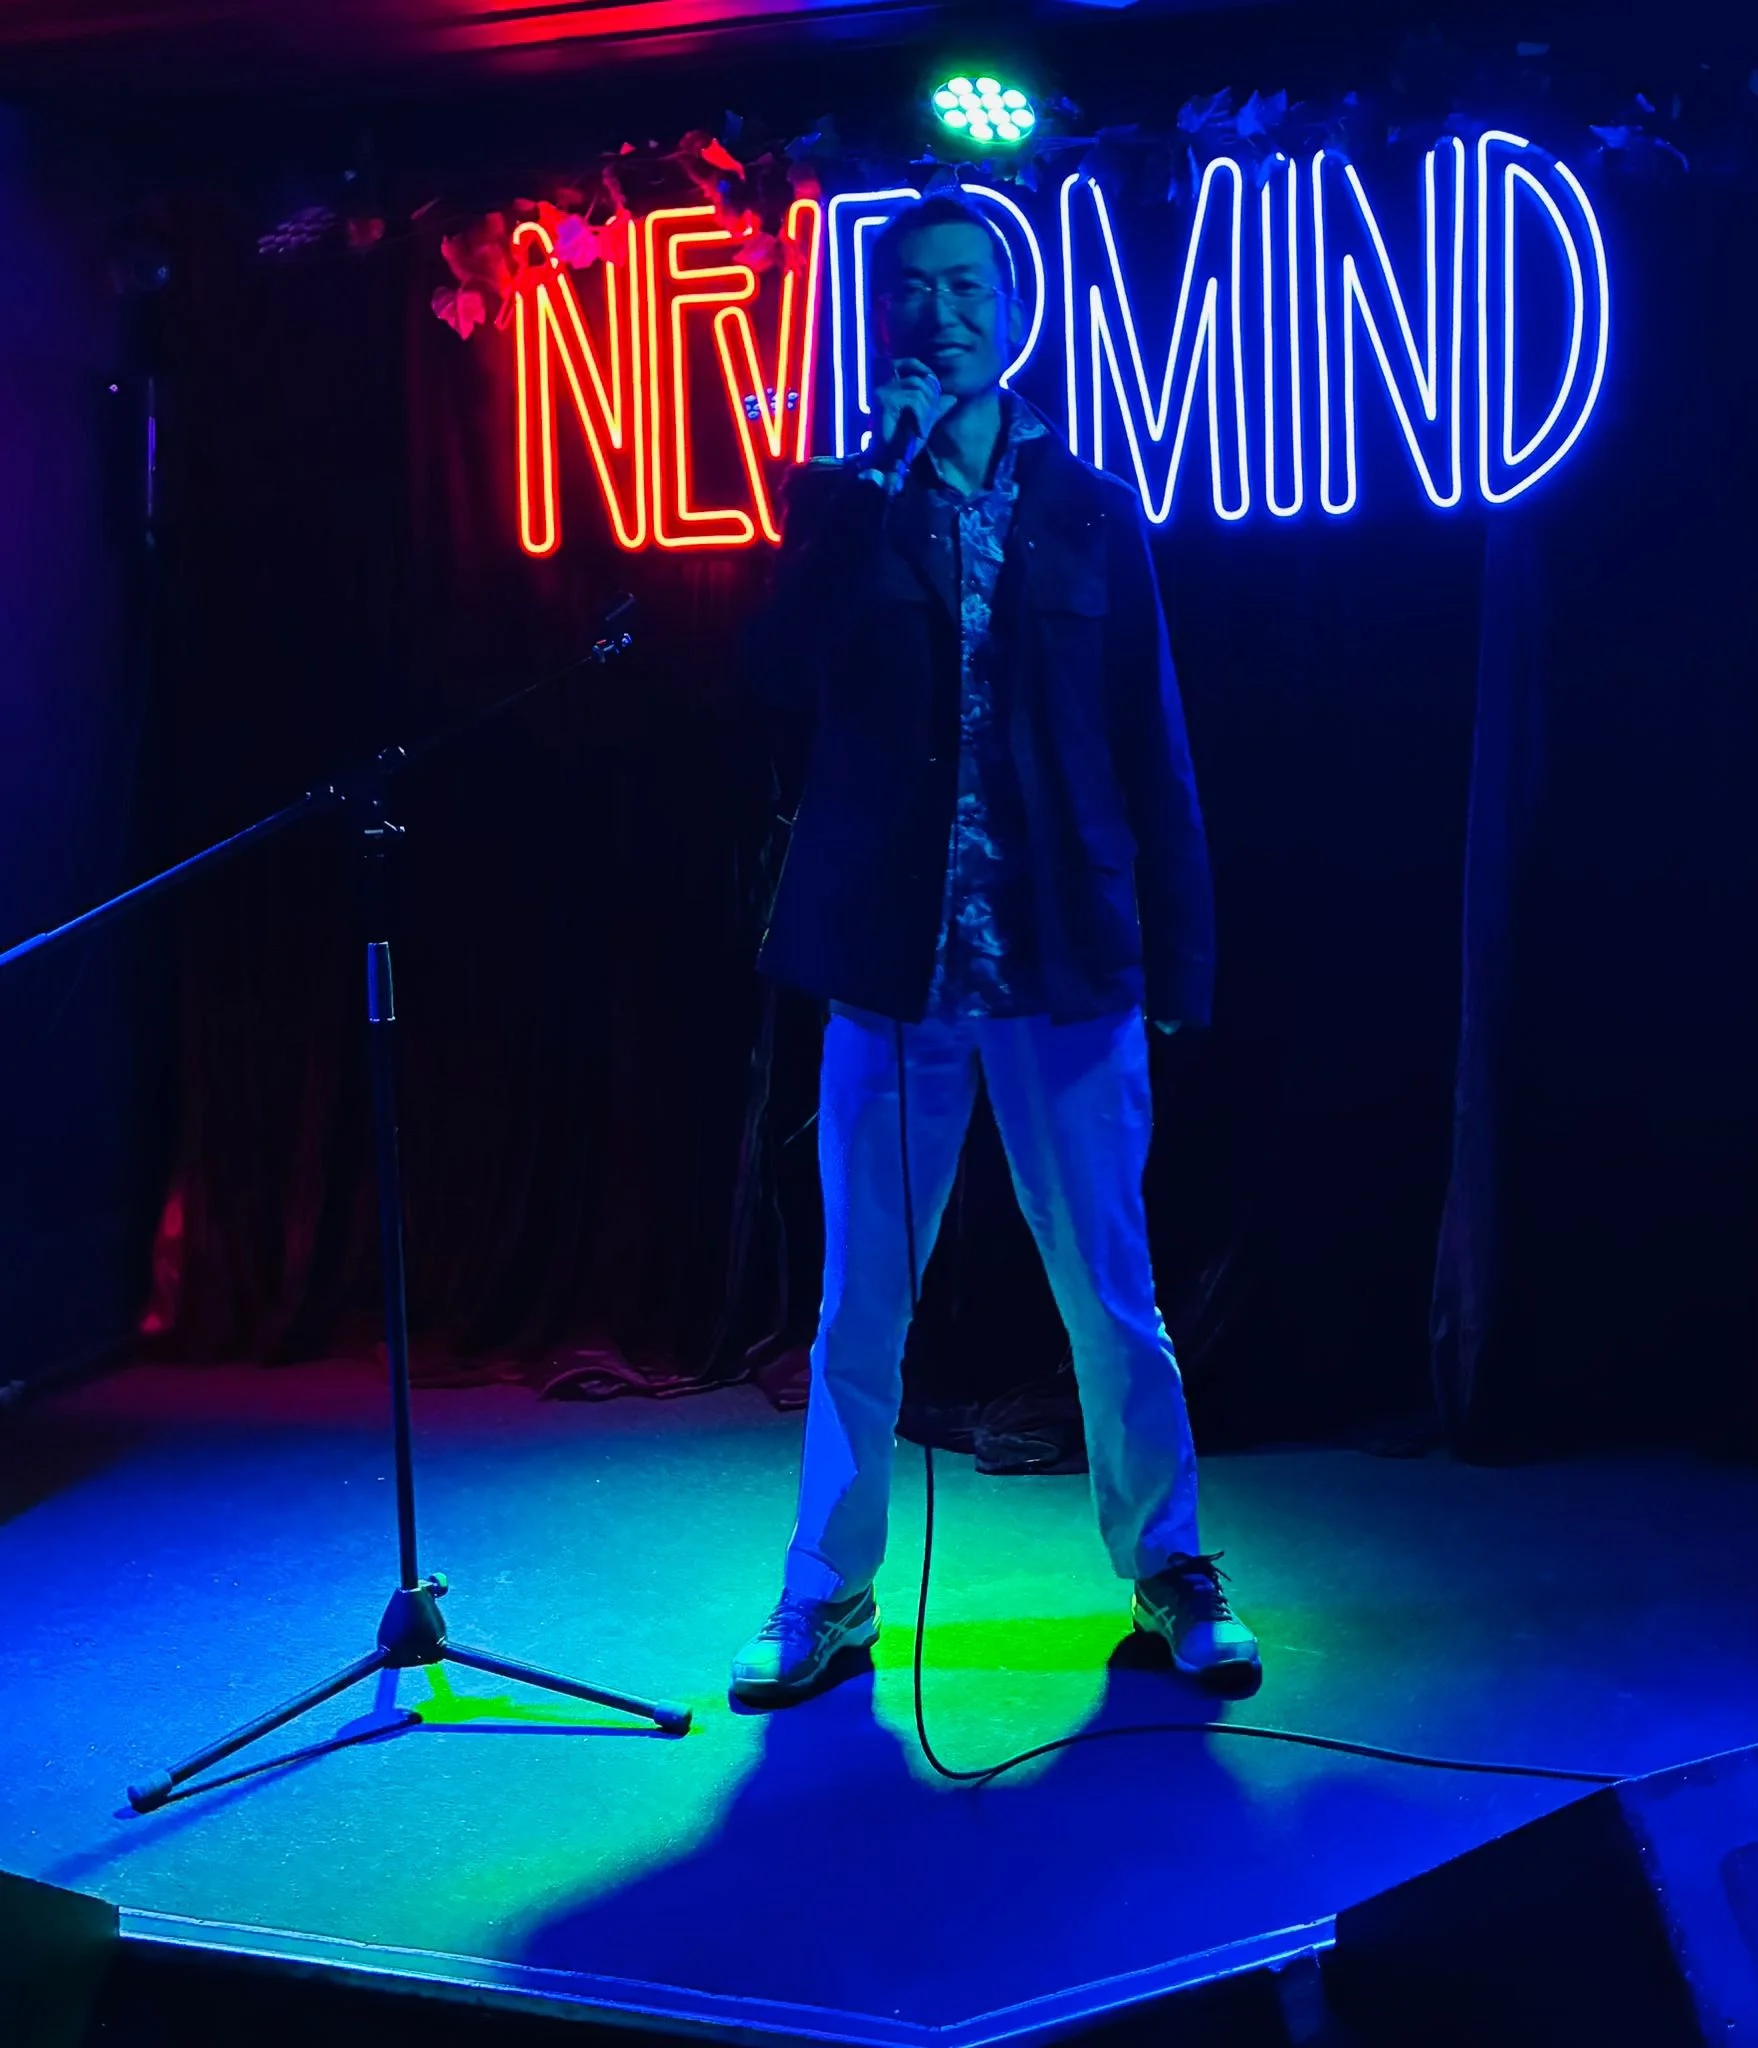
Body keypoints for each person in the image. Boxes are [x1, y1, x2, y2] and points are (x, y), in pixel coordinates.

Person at [731, 194, 1259, 1706]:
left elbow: (1152, 744)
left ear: (1012, 311)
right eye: (913, 291)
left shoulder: (1091, 507)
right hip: (891, 971)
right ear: (878, 317)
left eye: (967, 287)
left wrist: (1182, 959)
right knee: (859, 1304)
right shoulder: (840, 500)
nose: (942, 314)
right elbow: (774, 677)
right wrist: (867, 490)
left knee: (1111, 1291)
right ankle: (825, 1592)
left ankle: (1170, 1569)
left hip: (1065, 960)